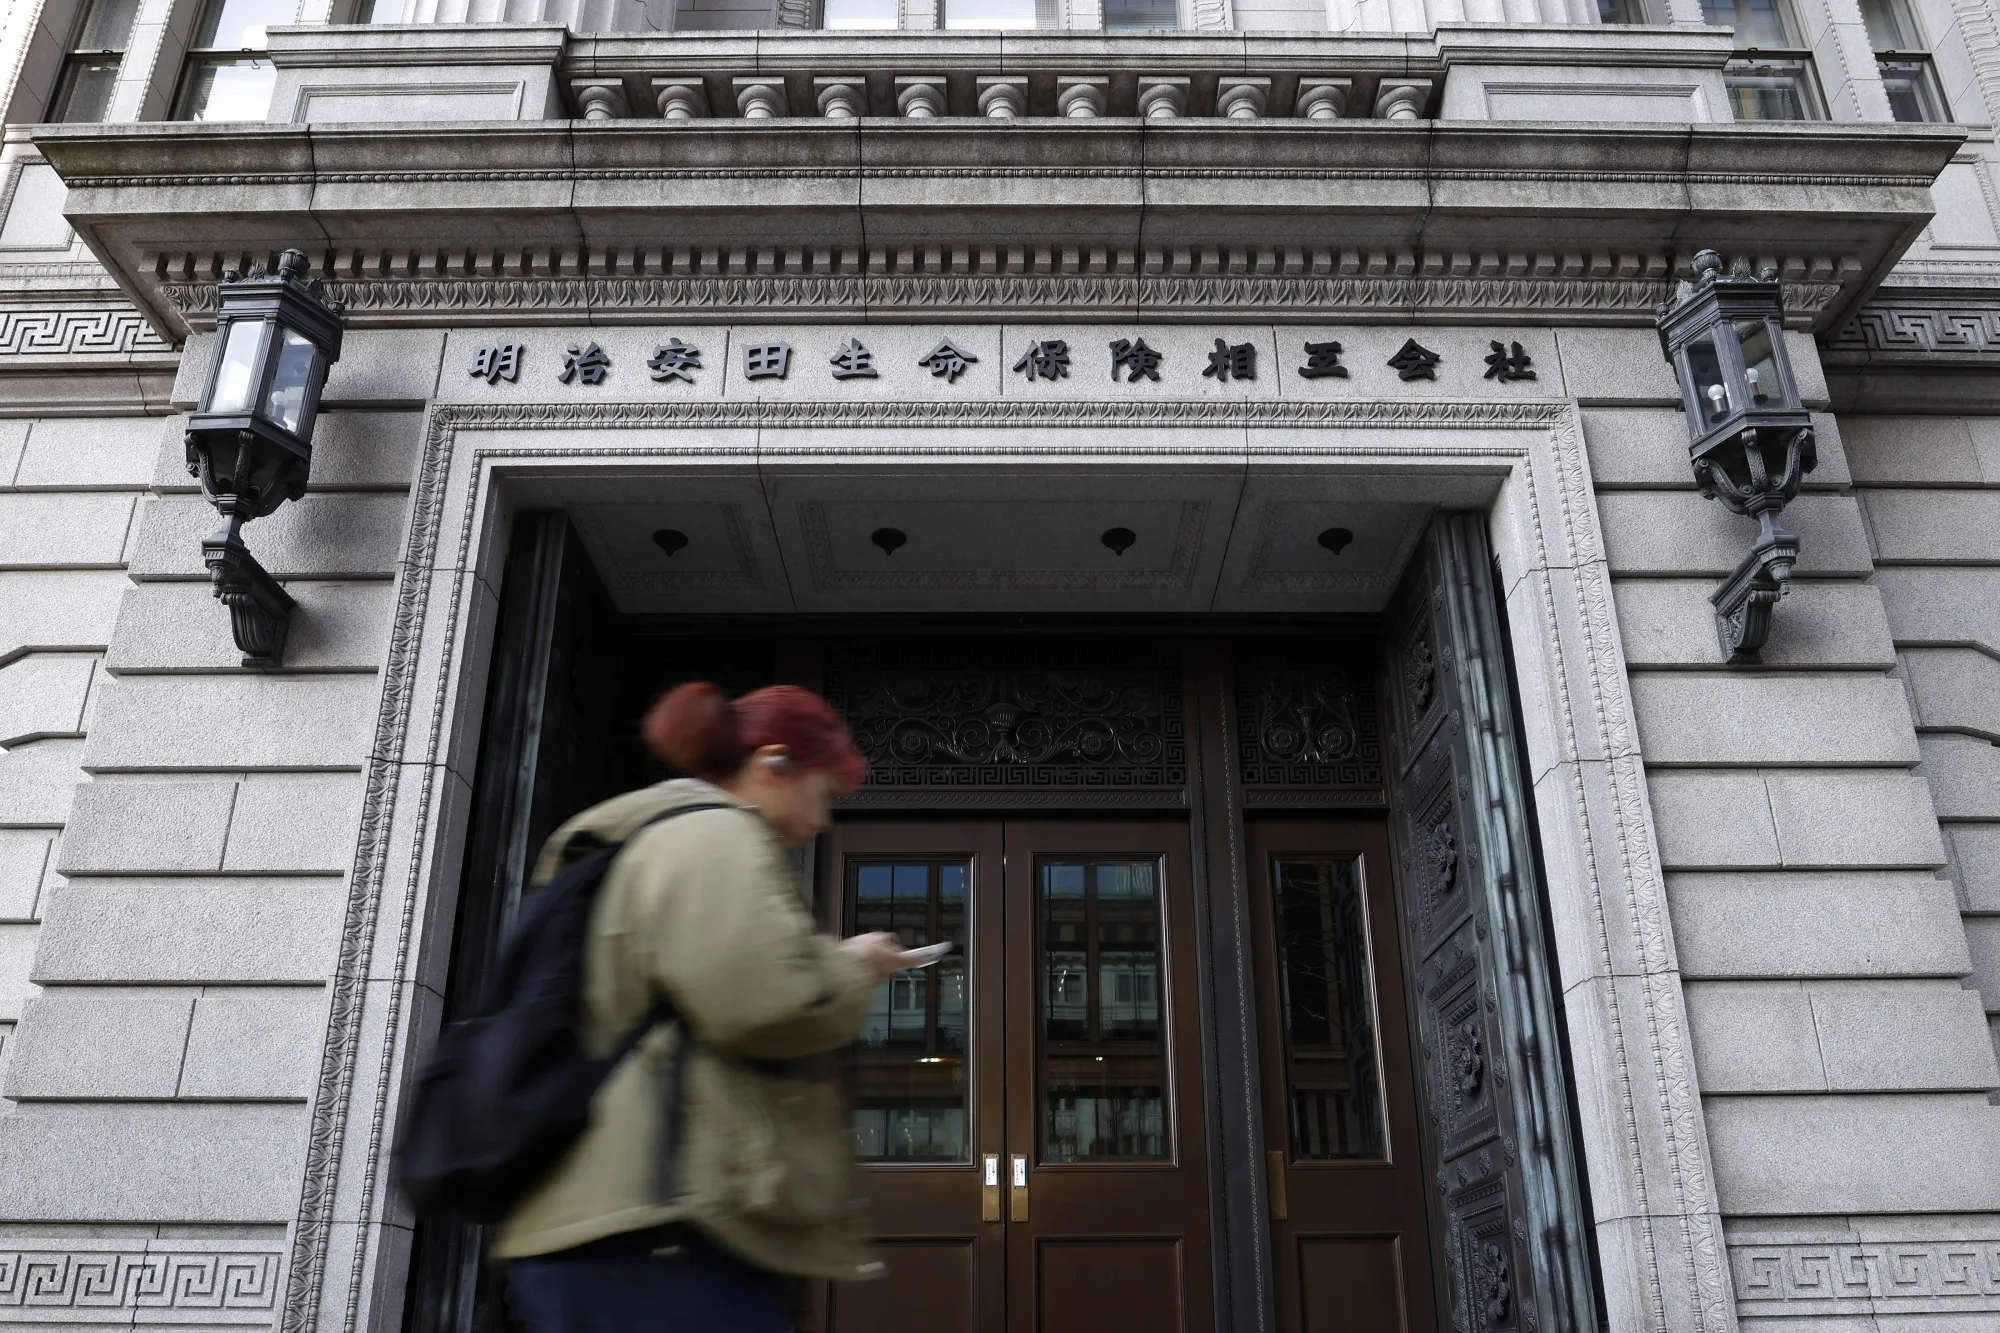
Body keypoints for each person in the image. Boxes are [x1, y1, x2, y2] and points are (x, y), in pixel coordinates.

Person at [493, 681, 920, 1333]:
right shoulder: (716, 836)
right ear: (774, 762)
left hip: (605, 1217)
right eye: (824, 790)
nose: (824, 820)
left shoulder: (652, 834)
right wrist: (855, 966)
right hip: (655, 1224)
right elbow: (768, 1006)